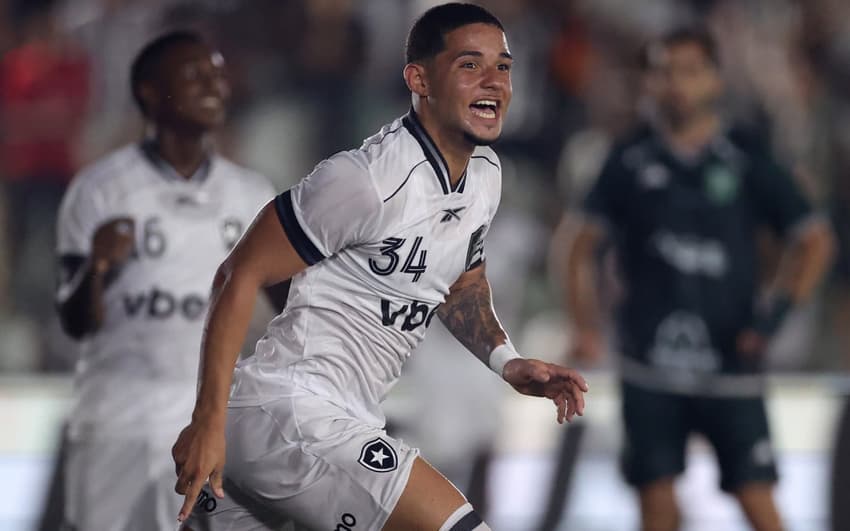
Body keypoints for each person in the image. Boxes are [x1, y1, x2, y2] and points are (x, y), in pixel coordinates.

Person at [171, 4, 588, 530]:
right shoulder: (366, 179)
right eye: (469, 65)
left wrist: (506, 360)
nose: (494, 81)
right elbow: (240, 273)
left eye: (503, 66)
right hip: (296, 414)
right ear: (419, 78)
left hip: (330, 420)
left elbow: (461, 284)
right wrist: (207, 421)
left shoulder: (485, 174)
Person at [556, 27, 834, 531]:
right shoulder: (627, 158)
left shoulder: (748, 155)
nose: (675, 84)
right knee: (656, 505)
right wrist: (585, 324)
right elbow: (576, 246)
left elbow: (814, 241)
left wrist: (773, 320)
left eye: (689, 71)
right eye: (663, 72)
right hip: (649, 364)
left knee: (758, 501)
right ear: (648, 82)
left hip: (732, 362)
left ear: (714, 80)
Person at [55, 31, 278, 530]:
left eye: (218, 75)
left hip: (211, 421)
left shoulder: (249, 194)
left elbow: (290, 304)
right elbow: (75, 322)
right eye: (196, 75)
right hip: (118, 420)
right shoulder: (100, 189)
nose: (214, 86)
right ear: (150, 92)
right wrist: (96, 268)